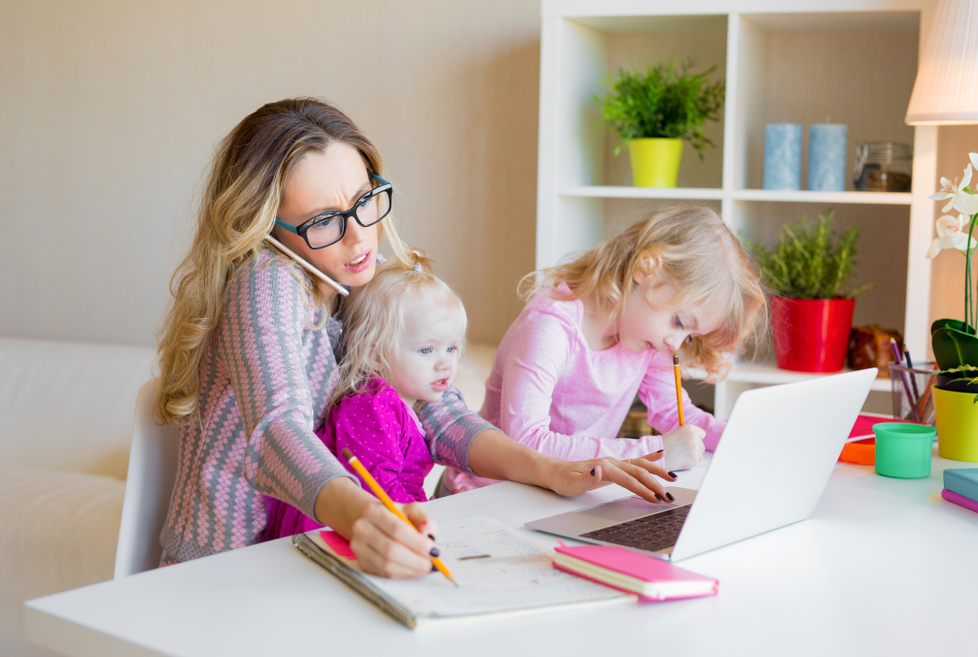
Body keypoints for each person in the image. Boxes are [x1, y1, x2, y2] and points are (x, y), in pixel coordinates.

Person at [154, 97, 670, 578]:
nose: (359, 238)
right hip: (229, 567)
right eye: (322, 223)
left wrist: (549, 469)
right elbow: (276, 430)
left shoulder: (359, 274)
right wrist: (362, 518)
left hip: (306, 550)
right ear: (266, 229)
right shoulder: (265, 280)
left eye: (363, 203)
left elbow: (437, 410)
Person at [444, 206, 767, 494]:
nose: (676, 343)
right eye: (680, 321)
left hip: (568, 490)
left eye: (690, 336)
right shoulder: (551, 326)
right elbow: (526, 442)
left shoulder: (646, 338)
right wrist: (653, 451)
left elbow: (676, 415)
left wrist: (741, 435)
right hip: (488, 493)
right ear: (646, 268)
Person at [263, 252, 475, 541]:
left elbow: (402, 487)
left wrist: (434, 510)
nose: (446, 364)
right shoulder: (373, 405)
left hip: (374, 523)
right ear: (374, 354)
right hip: (324, 533)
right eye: (427, 350)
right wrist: (429, 517)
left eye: (452, 348)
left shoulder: (403, 405)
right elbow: (379, 487)